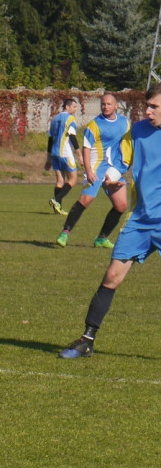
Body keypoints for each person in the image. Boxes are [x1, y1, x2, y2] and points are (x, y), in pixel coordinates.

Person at [58, 84, 161, 359]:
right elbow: (123, 157)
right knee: (112, 277)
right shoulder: (137, 130)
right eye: (147, 105)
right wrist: (114, 173)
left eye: (154, 107)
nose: (147, 111)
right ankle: (87, 340)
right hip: (140, 220)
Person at [56, 92, 130, 248]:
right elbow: (86, 148)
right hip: (96, 167)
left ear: (116, 106)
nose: (105, 106)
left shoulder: (125, 123)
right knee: (86, 200)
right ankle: (65, 233)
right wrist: (89, 171)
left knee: (121, 205)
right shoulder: (95, 124)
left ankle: (102, 238)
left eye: (109, 104)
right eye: (103, 104)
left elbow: (128, 144)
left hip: (113, 168)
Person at [46, 98, 82, 215]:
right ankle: (56, 200)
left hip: (55, 153)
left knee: (60, 181)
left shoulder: (54, 119)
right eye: (74, 107)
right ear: (67, 107)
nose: (75, 109)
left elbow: (50, 140)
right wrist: (79, 154)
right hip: (65, 153)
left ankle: (58, 209)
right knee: (73, 179)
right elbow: (72, 136)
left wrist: (48, 158)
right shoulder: (71, 119)